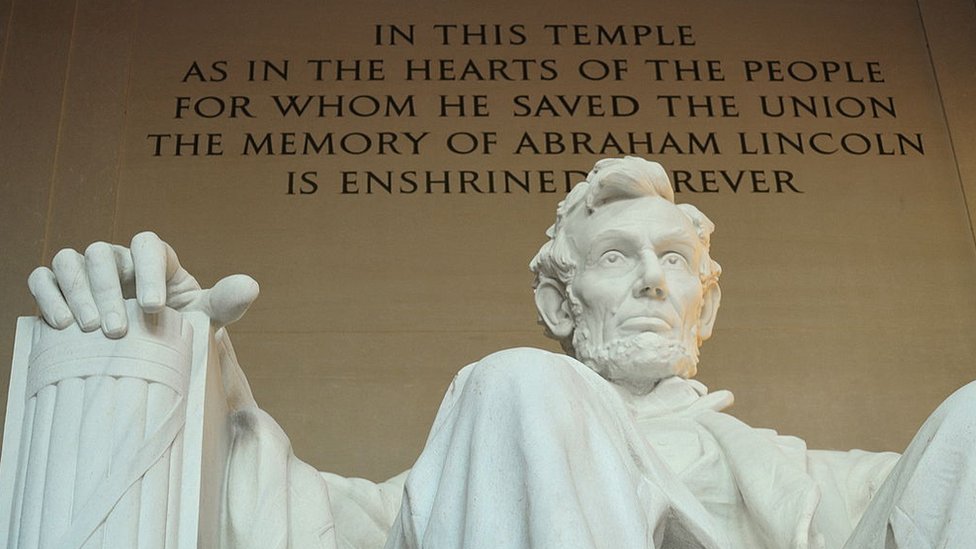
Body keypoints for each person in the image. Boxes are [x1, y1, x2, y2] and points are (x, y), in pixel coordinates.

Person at [27, 157, 976, 548]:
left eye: (675, 261)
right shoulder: (472, 468)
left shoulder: (826, 493)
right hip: (522, 410)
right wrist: (184, 351)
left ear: (705, 300)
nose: (653, 280)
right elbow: (282, 510)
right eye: (618, 257)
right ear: (561, 298)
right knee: (524, 385)